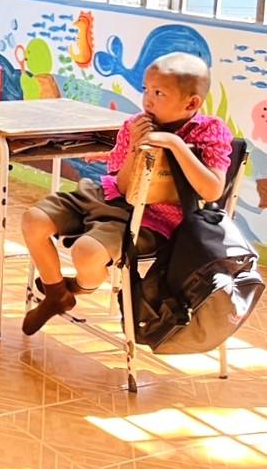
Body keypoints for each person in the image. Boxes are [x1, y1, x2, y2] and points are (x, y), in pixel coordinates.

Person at [21, 52, 232, 335]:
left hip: (153, 219)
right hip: (110, 195)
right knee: (33, 220)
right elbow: (121, 187)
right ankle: (57, 293)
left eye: (159, 93)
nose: (148, 99)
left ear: (191, 103)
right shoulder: (134, 125)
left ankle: (80, 287)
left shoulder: (210, 132)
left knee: (86, 253)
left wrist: (174, 144)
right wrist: (136, 145)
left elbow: (213, 189)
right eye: (146, 89)